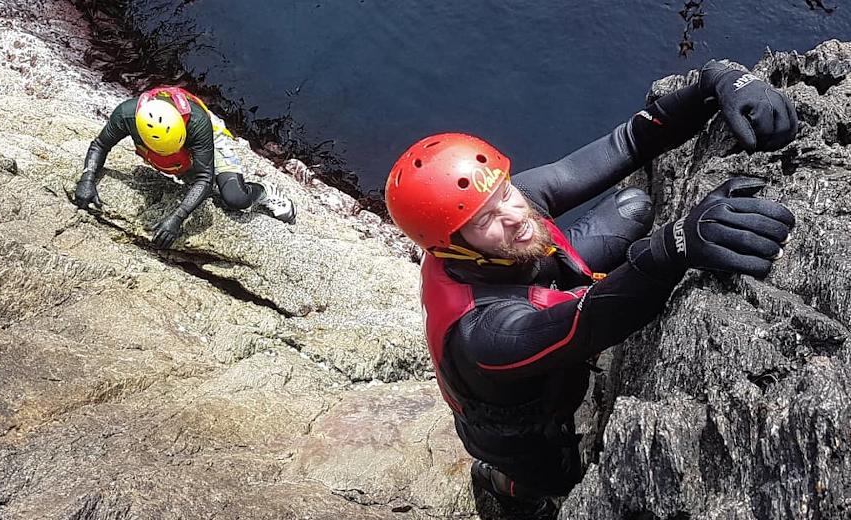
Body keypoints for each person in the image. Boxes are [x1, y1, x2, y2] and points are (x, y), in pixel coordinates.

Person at [385, 61, 797, 518]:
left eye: (504, 191)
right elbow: (588, 323)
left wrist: (715, 83)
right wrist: (676, 245)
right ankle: (502, 485)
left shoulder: (493, 211)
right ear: (453, 247)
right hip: (521, 427)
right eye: (486, 219)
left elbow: (629, 142)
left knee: (633, 206)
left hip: (539, 298)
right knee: (555, 478)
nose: (516, 214)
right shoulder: (484, 335)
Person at [73, 86, 296, 249]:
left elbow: (204, 179)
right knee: (192, 185)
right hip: (173, 150)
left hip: (207, 138)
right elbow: (100, 144)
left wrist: (177, 217)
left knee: (234, 198)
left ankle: (264, 191)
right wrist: (87, 178)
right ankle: (173, 161)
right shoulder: (127, 114)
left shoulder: (198, 123)